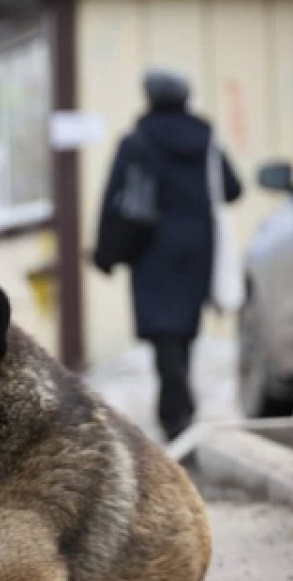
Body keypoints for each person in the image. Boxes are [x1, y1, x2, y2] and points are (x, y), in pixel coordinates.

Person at [95, 69, 242, 441]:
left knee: (163, 331)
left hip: (151, 251)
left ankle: (175, 410)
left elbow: (115, 200)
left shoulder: (138, 141)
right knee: (185, 330)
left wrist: (106, 252)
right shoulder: (205, 140)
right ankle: (180, 407)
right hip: (197, 249)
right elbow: (232, 188)